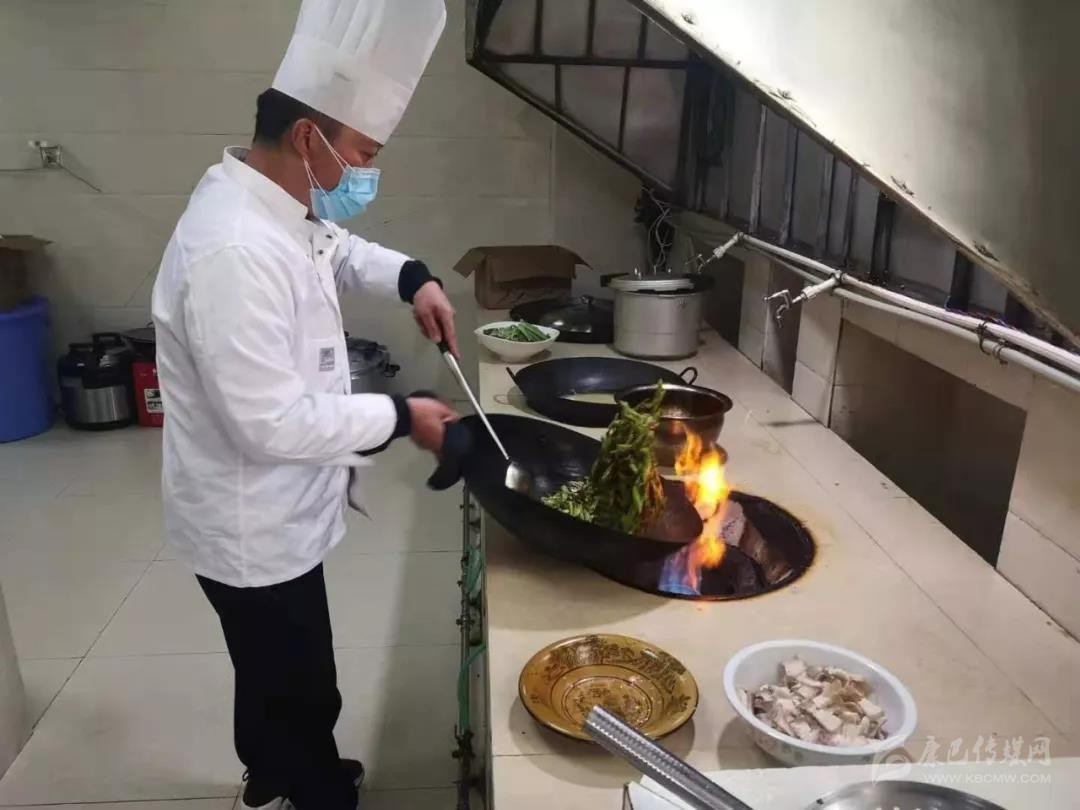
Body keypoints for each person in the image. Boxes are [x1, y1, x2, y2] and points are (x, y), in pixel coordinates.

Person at [150, 2, 450, 808]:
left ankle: (271, 771)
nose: (368, 173)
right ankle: (312, 790)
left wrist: (411, 277)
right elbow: (270, 422)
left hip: (278, 505)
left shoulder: (270, 203)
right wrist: (402, 415)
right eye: (364, 153)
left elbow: (336, 249)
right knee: (300, 680)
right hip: (250, 518)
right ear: (309, 137)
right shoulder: (232, 249)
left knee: (270, 667)